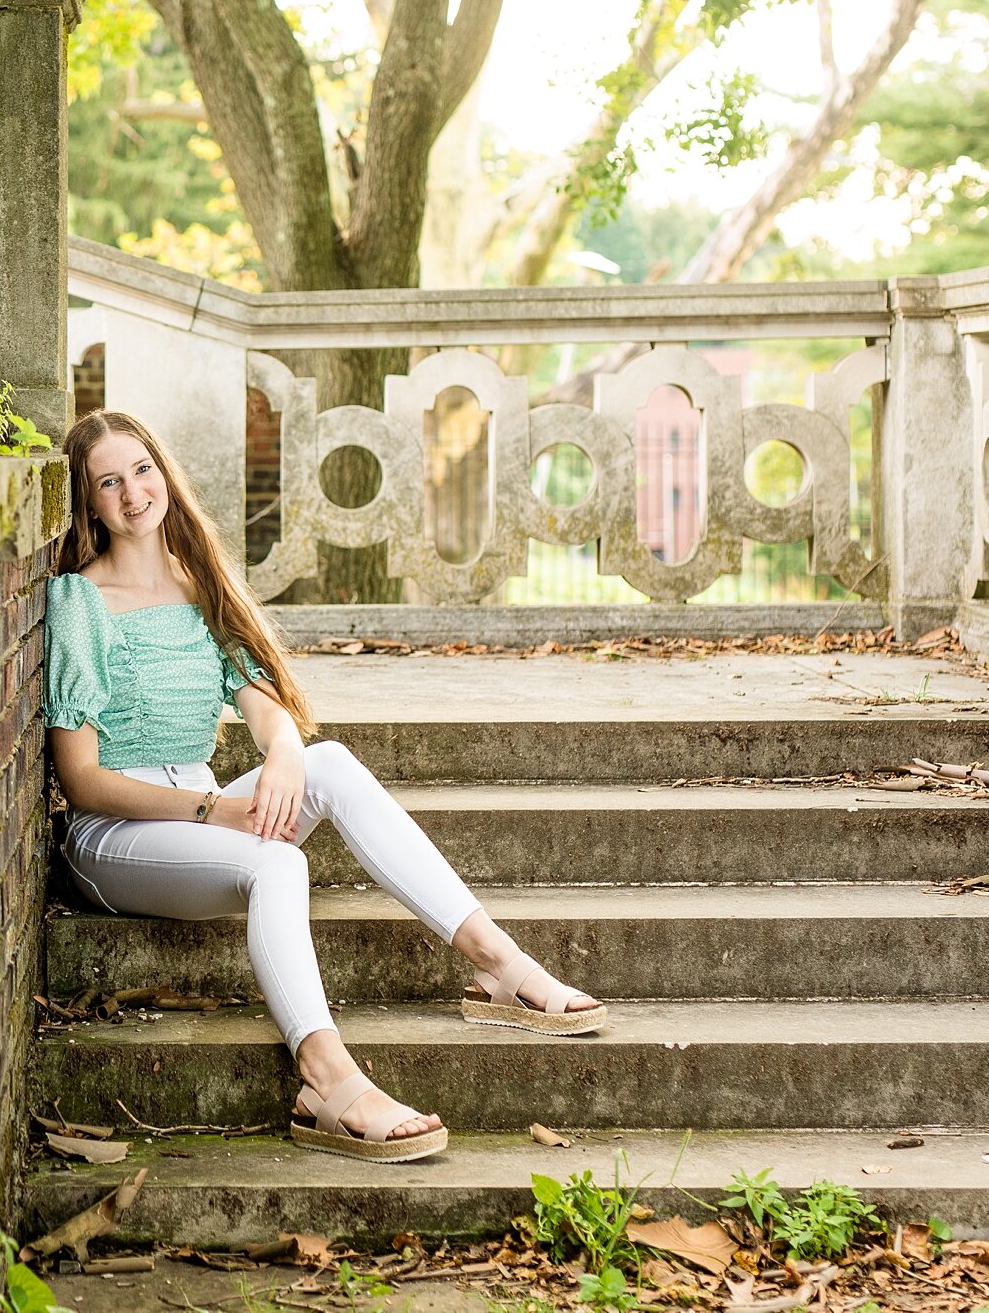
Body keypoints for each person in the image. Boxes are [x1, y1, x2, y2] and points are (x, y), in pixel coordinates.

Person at [45, 410, 604, 1163]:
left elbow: (265, 704)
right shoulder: (80, 600)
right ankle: (324, 1079)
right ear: (90, 504)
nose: (133, 492)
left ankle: (496, 966)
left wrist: (281, 754)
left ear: (164, 474)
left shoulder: (196, 580)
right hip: (115, 838)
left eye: (142, 470)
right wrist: (216, 808)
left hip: (208, 811)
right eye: (109, 481)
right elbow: (81, 781)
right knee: (278, 861)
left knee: (328, 759)